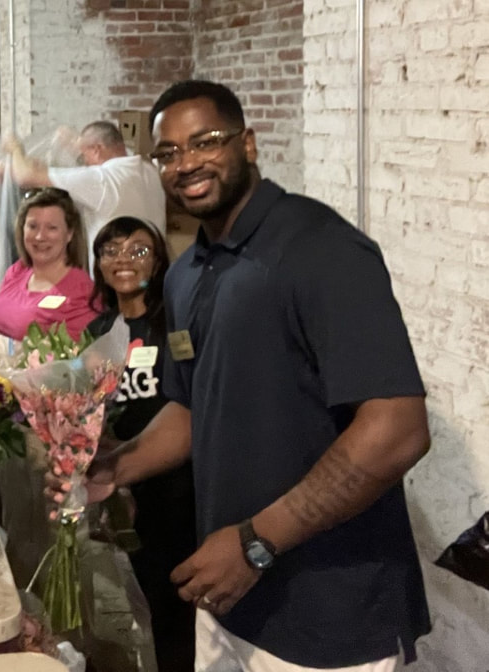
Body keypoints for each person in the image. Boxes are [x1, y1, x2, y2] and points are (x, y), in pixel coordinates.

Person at [51, 80, 431, 671]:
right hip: (229, 597)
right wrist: (113, 467)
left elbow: (398, 428)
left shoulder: (319, 247)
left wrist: (256, 542)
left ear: (248, 144)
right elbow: (191, 408)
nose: (188, 163)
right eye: (169, 153)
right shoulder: (185, 275)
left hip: (329, 616)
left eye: (205, 141)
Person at [86, 217, 196, 672]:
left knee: (174, 605)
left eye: (137, 250)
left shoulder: (173, 323)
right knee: (135, 595)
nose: (123, 260)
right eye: (110, 250)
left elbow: (188, 399)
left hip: (176, 485)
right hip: (121, 481)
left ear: (158, 260)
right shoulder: (98, 329)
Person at [5, 121, 166, 264]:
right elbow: (115, 149)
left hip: (117, 278)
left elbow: (25, 176)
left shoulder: (100, 179)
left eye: (84, 154)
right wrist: (75, 144)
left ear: (96, 149)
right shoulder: (148, 170)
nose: (84, 161)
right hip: (155, 272)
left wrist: (15, 149)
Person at [0, 187, 98, 341]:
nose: (39, 236)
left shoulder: (82, 292)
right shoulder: (17, 271)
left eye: (52, 228)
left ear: (70, 234)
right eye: (33, 226)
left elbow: (79, 359)